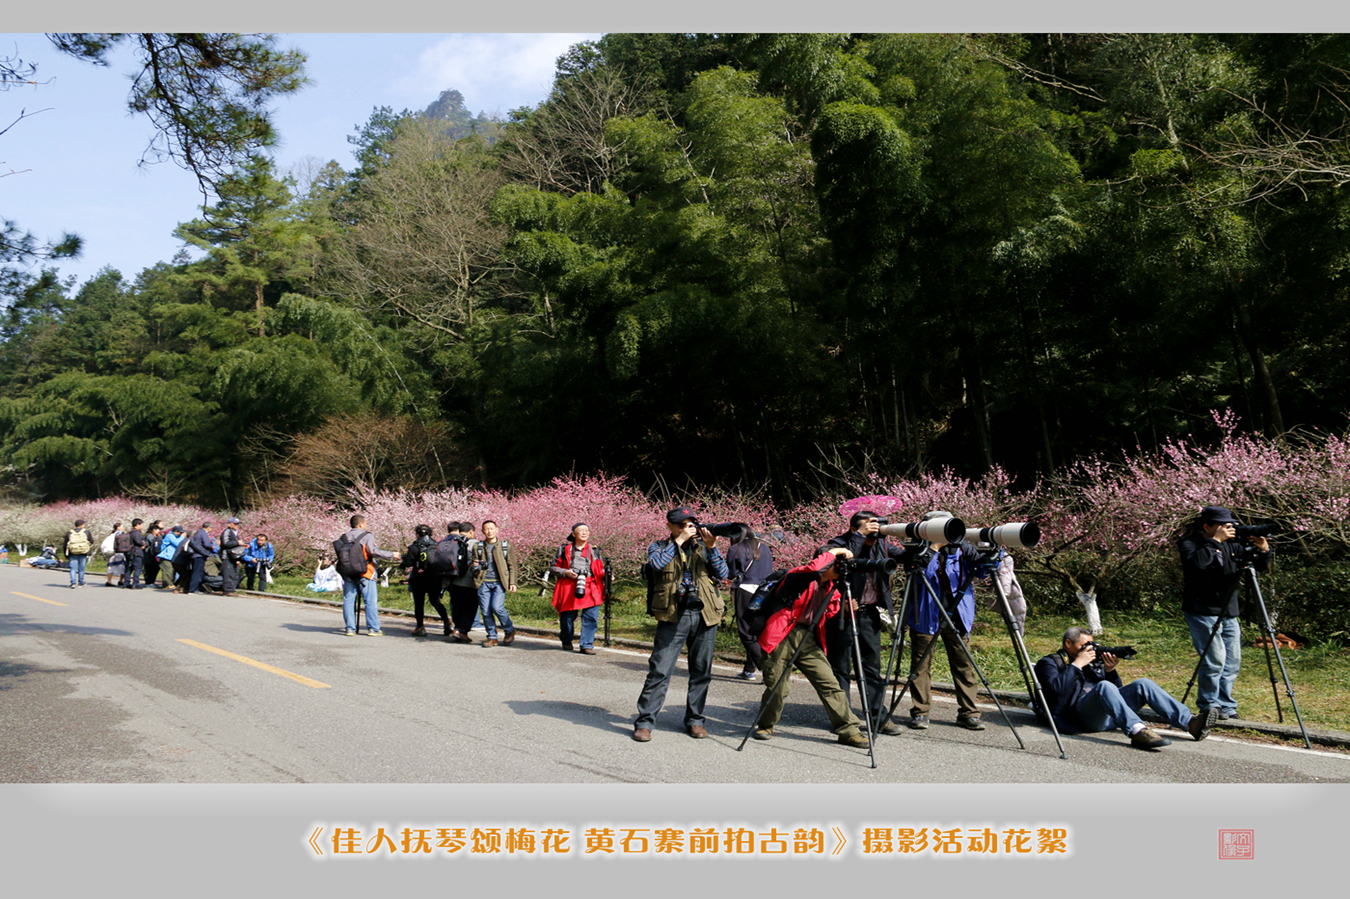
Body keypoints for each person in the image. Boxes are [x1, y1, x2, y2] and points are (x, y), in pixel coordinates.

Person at [751, 547, 870, 748]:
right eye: (837, 562)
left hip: (808, 638)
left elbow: (828, 614)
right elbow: (814, 568)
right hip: (780, 635)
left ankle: (849, 730)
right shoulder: (798, 576)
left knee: (829, 683)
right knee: (779, 687)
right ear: (827, 561)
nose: (841, 567)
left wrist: (844, 608)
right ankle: (766, 724)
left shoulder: (832, 586)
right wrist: (836, 550)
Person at [633, 507, 730, 742]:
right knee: (660, 670)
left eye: (691, 523)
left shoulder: (704, 547)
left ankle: (696, 720)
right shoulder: (659, 546)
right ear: (671, 527)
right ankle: (645, 722)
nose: (689, 528)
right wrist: (678, 542)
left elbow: (724, 573)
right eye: (682, 524)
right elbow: (656, 565)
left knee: (701, 672)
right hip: (673, 614)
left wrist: (712, 547)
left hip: (705, 614)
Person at [1035, 626, 1216, 750]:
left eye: (1091, 645)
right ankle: (1137, 731)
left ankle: (1191, 723)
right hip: (1079, 718)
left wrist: (1110, 671)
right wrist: (1076, 665)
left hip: (1110, 716)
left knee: (1143, 684)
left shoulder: (1091, 662)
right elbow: (1053, 691)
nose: (1088, 650)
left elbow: (1116, 694)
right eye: (1083, 646)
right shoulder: (1051, 662)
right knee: (1103, 686)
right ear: (1068, 644)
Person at [1178, 505, 1272, 720]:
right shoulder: (1190, 543)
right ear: (1207, 526)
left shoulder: (1233, 544)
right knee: (1214, 660)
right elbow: (1196, 565)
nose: (1227, 528)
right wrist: (1215, 542)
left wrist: (1265, 550)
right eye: (1222, 525)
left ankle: (1226, 705)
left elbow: (1257, 568)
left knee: (1231, 662)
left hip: (1229, 610)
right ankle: (1209, 705)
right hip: (1202, 610)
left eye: (1229, 524)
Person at [903, 510, 990, 731]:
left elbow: (981, 572)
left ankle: (969, 713)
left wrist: (992, 557)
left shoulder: (963, 548)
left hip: (957, 614)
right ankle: (920, 712)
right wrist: (934, 548)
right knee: (921, 665)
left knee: (964, 664)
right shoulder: (917, 548)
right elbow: (922, 574)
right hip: (925, 615)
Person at [825, 510, 909, 735]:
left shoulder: (880, 545)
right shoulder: (839, 543)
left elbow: (906, 558)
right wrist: (860, 537)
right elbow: (826, 562)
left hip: (868, 613)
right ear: (853, 529)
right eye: (867, 530)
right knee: (840, 669)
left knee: (872, 669)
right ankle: (843, 720)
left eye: (875, 530)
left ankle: (878, 718)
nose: (873, 535)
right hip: (840, 613)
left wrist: (919, 542)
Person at [335, 514, 399, 636]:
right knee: (370, 601)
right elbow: (373, 551)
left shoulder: (344, 537)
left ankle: (350, 628)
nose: (366, 525)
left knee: (348, 600)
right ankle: (373, 629)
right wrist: (392, 554)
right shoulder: (367, 536)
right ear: (360, 524)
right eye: (365, 523)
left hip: (348, 572)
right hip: (366, 572)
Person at [725, 525, 774, 681]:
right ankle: (749, 669)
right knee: (759, 630)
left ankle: (767, 669)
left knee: (746, 631)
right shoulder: (764, 547)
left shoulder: (736, 549)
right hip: (764, 592)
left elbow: (730, 573)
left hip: (745, 590)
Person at [549, 523, 606, 654]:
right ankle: (566, 639)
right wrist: (566, 572)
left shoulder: (595, 549)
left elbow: (600, 568)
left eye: (587, 530)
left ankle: (586, 644)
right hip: (569, 585)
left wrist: (608, 575)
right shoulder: (564, 550)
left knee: (591, 616)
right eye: (581, 530)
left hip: (591, 585)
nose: (585, 533)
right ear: (574, 534)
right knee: (567, 617)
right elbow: (553, 568)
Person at [473, 520, 518, 647]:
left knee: (497, 607)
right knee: (486, 611)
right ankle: (492, 636)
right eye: (486, 529)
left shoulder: (505, 546)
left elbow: (512, 565)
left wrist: (513, 582)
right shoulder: (478, 546)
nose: (489, 531)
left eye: (492, 528)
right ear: (482, 531)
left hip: (499, 582)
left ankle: (509, 630)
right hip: (483, 582)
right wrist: (475, 566)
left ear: (497, 529)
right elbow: (473, 563)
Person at [401, 524, 450, 637]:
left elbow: (408, 563)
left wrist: (402, 563)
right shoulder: (438, 546)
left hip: (419, 579)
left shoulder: (414, 547)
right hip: (435, 578)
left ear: (417, 534)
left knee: (419, 603)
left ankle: (420, 627)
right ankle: (447, 623)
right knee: (435, 601)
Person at [444, 522, 478, 643]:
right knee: (470, 607)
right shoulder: (475, 543)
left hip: (453, 580)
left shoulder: (451, 543)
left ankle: (457, 629)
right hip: (469, 582)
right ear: (471, 532)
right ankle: (462, 630)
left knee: (457, 606)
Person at [185, 521, 219, 595]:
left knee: (196, 572)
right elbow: (206, 544)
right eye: (211, 528)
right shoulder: (203, 533)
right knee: (197, 573)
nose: (211, 530)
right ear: (208, 527)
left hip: (195, 555)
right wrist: (212, 546)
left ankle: (195, 588)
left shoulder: (197, 532)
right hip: (199, 555)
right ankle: (192, 589)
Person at [62, 518, 93, 588]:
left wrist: (65, 554)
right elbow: (91, 541)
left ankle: (73, 583)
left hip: (72, 552)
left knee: (73, 568)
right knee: (81, 568)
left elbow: (65, 544)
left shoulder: (69, 532)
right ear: (82, 525)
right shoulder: (86, 532)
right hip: (83, 552)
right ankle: (81, 582)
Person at [218, 517, 245, 595]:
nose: (237, 525)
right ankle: (227, 590)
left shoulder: (235, 532)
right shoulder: (227, 532)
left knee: (233, 573)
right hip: (226, 556)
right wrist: (237, 542)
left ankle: (231, 589)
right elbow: (225, 543)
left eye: (238, 524)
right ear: (229, 524)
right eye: (235, 523)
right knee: (228, 573)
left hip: (233, 556)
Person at [124, 518, 147, 589]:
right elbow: (138, 541)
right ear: (137, 525)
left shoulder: (129, 532)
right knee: (137, 568)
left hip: (129, 552)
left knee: (129, 568)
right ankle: (135, 583)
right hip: (136, 552)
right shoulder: (136, 532)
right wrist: (143, 543)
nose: (142, 526)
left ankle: (126, 582)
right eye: (141, 524)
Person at [143, 522, 163, 588]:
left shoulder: (155, 536)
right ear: (154, 530)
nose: (159, 531)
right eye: (158, 530)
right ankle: (148, 582)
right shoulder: (149, 536)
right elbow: (153, 542)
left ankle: (152, 581)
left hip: (154, 555)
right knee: (149, 569)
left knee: (155, 569)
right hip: (149, 555)